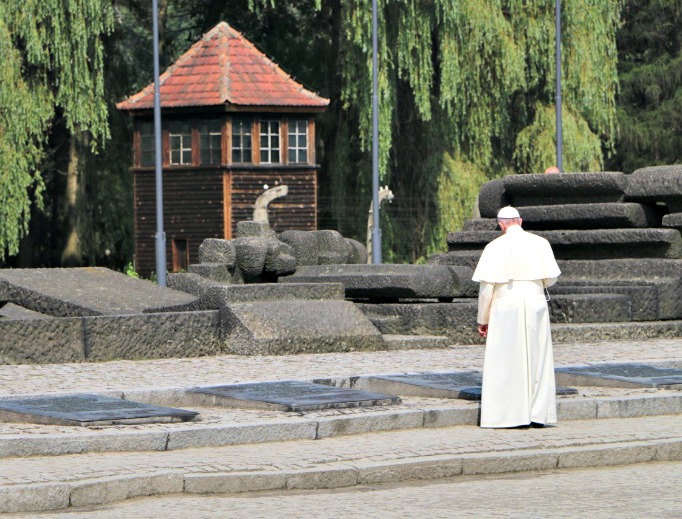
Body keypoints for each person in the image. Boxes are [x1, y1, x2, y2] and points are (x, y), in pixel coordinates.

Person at [472, 206, 561, 429]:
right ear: (519, 221)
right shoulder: (541, 243)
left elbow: (487, 288)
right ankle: (538, 414)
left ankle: (508, 416)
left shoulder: (494, 246)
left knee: (506, 359)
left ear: (501, 225)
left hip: (506, 304)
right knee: (537, 357)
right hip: (536, 301)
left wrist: (483, 320)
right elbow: (550, 279)